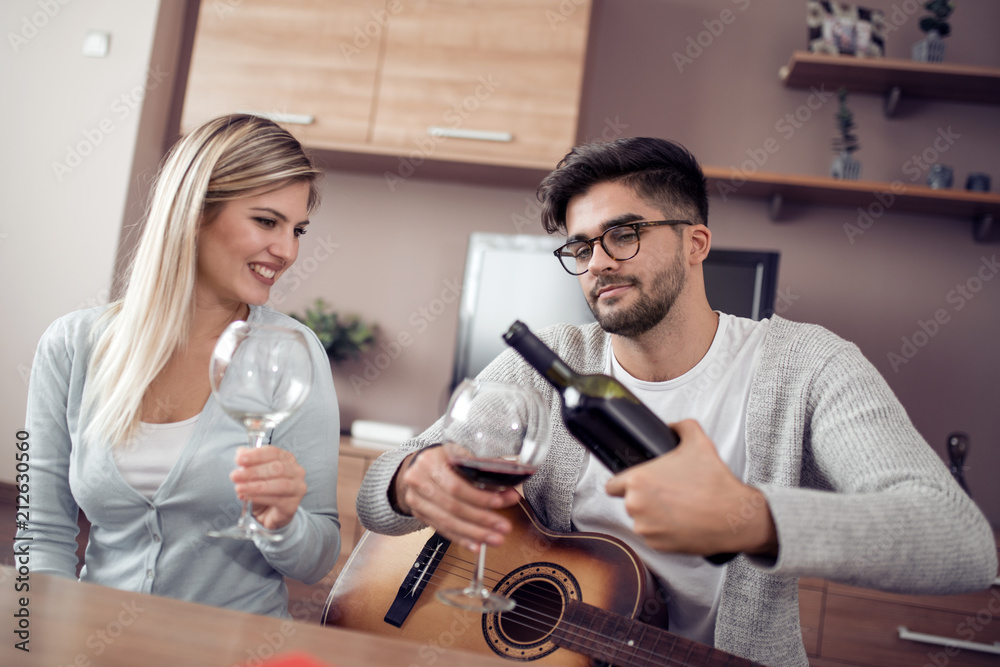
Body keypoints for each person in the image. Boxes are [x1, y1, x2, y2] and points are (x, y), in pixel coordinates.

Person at [356, 138, 997, 665]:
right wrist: (411, 480)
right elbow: (377, 499)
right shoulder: (551, 361)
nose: (596, 263)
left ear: (696, 244)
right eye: (580, 247)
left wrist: (751, 519)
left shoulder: (809, 365)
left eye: (624, 234)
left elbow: (961, 543)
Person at [18, 114, 341, 618]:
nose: (288, 250)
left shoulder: (291, 352)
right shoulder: (72, 344)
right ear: (194, 213)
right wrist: (39, 638)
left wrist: (283, 524)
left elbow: (316, 558)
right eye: (266, 221)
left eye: (297, 229)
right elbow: (40, 531)